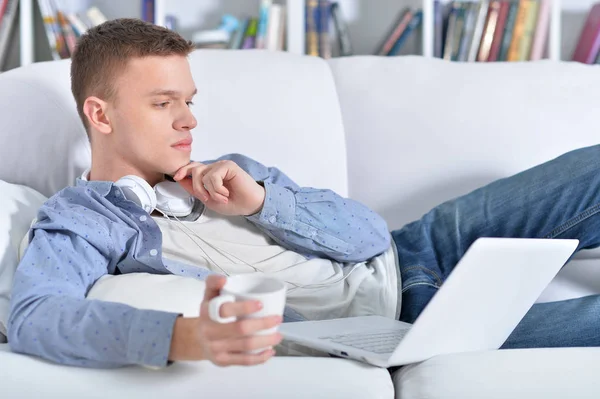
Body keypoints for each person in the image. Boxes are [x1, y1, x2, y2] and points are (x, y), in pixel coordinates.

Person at [7, 18, 600, 370]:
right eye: (163, 104)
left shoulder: (229, 171)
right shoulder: (83, 219)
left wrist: (263, 200)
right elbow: (36, 316)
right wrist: (182, 337)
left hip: (418, 249)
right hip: (406, 323)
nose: (188, 120)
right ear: (99, 114)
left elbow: (367, 235)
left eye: (190, 100)